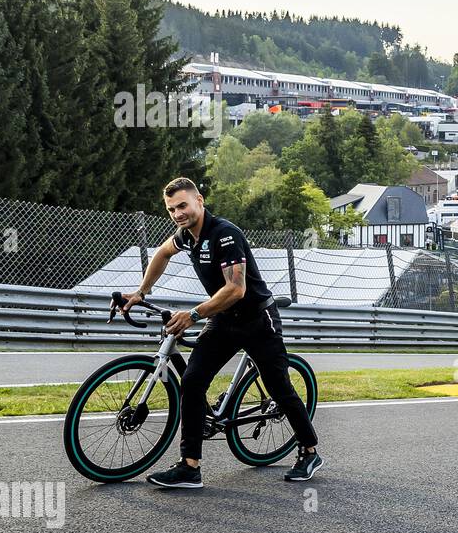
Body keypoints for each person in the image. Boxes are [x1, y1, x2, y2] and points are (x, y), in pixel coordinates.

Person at [125, 178, 321, 489]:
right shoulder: (186, 237)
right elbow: (161, 254)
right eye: (171, 209)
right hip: (222, 319)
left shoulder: (224, 234)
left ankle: (309, 451)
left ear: (199, 201)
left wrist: (192, 315)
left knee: (279, 388)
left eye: (183, 206)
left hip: (256, 319)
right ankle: (190, 467)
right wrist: (140, 291)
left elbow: (236, 289)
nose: (178, 213)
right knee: (191, 382)